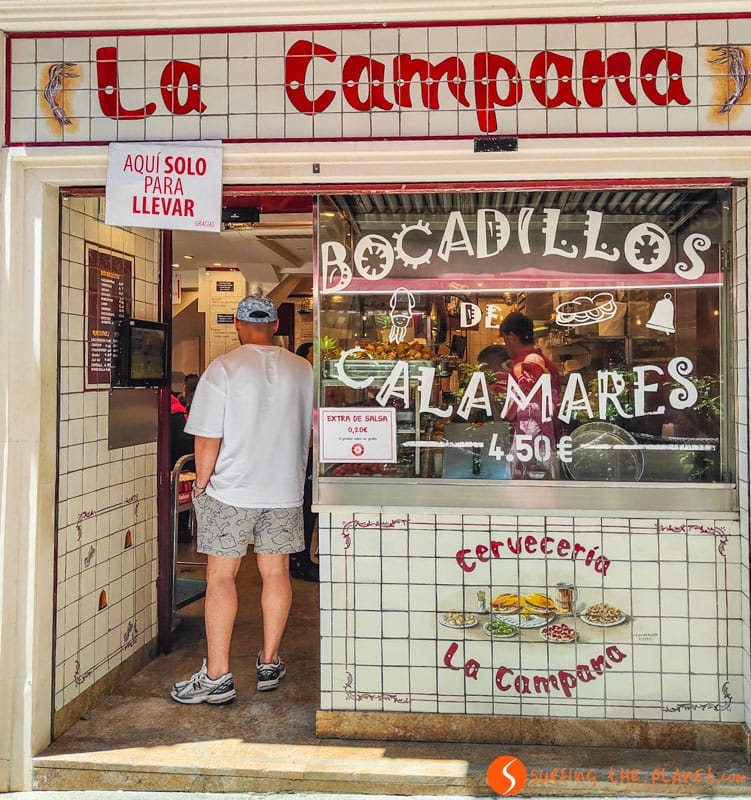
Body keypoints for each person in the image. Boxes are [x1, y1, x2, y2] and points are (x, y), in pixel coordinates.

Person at [170, 293, 313, 704]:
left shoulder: (224, 368)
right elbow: (311, 431)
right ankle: (269, 661)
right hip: (284, 489)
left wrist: (201, 483)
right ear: (275, 325)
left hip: (231, 490)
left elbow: (207, 437)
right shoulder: (303, 369)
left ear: (237, 323)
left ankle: (217, 676)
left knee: (221, 577)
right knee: (276, 573)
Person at [498, 312, 561, 479]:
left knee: (528, 483)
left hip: (531, 438)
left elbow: (515, 407)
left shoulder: (526, 365)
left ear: (511, 337)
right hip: (547, 434)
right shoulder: (546, 363)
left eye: (505, 340)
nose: (506, 346)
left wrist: (504, 414)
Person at [289, 342, 319, 582]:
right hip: (300, 454)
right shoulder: (300, 384)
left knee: (308, 508)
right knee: (304, 509)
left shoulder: (311, 384)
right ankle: (298, 561)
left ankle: (302, 558)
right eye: (313, 355)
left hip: (308, 453)